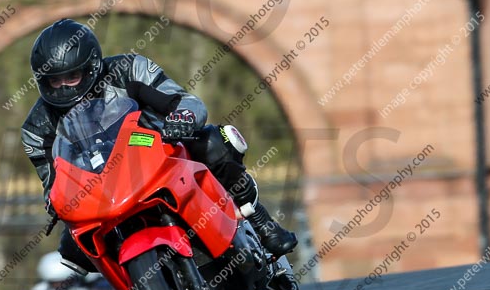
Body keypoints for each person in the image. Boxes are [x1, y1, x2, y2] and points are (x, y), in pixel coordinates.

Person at [21, 19, 297, 275]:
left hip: (158, 151)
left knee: (215, 142)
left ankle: (260, 221)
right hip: (103, 186)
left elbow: (184, 101)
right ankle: (138, 286)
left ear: (91, 66)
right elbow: (53, 181)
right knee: (71, 245)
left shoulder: (129, 69)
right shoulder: (36, 127)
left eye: (72, 77)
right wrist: (55, 201)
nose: (63, 87)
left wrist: (183, 118)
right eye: (53, 81)